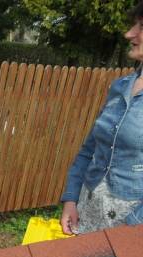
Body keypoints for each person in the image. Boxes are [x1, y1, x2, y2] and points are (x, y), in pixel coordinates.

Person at [60, 5, 143, 235]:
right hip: (89, 214)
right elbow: (90, 149)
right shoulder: (120, 87)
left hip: (130, 227)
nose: (129, 34)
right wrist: (71, 198)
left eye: (141, 27)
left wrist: (132, 228)